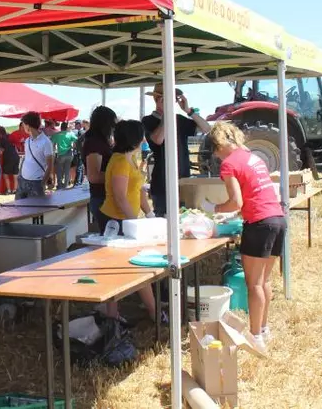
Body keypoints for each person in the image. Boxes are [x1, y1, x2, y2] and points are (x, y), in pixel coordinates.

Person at [203, 122, 285, 351]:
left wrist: (213, 208)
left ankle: (256, 336)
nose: (216, 156)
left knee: (254, 284)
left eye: (215, 150)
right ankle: (264, 329)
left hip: (259, 223)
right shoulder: (253, 157)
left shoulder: (229, 164)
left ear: (219, 145)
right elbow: (254, 193)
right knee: (265, 281)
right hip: (277, 219)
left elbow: (235, 201)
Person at [98, 120, 158, 322]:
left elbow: (139, 190)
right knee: (121, 269)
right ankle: (118, 315)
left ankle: (150, 311)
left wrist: (149, 215)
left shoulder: (131, 158)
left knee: (134, 267)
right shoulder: (120, 161)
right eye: (142, 135)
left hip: (128, 220)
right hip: (116, 221)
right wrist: (136, 222)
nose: (144, 139)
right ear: (134, 138)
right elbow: (120, 196)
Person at [142, 83, 211, 216]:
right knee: (164, 221)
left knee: (185, 218)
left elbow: (206, 128)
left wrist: (189, 111)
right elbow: (158, 139)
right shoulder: (148, 120)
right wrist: (166, 115)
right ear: (157, 100)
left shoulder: (179, 119)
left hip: (183, 179)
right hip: (162, 183)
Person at [81, 106, 117, 230]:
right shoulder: (94, 143)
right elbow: (94, 176)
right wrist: (119, 177)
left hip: (105, 198)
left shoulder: (100, 142)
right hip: (101, 198)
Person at [16, 112, 53, 200]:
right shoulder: (27, 141)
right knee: (18, 210)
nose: (23, 127)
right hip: (22, 181)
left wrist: (43, 183)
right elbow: (27, 159)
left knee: (35, 212)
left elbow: (50, 165)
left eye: (24, 124)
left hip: (36, 183)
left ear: (28, 126)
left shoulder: (46, 142)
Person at [51, 122, 78, 190]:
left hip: (60, 155)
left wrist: (53, 151)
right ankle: (65, 185)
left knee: (59, 171)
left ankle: (60, 185)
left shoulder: (56, 135)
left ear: (61, 127)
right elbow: (77, 140)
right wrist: (73, 146)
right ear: (66, 127)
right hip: (69, 154)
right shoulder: (70, 134)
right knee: (67, 170)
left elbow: (52, 143)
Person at [0, 127, 20, 194]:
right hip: (16, 156)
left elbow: (1, 152)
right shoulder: (9, 137)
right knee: (15, 174)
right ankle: (15, 190)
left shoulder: (1, 139)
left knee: (5, 174)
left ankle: (8, 190)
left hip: (8, 157)